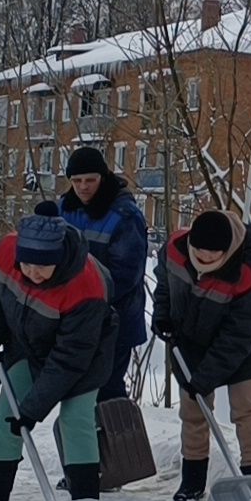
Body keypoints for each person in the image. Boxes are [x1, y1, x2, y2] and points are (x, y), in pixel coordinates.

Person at [0, 201, 117, 501]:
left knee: (75, 420)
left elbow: (68, 361)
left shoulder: (86, 286)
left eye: (42, 267)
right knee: (6, 420)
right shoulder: (6, 253)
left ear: (58, 260)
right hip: (28, 345)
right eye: (27, 265)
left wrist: (33, 410)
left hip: (85, 356)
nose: (33, 273)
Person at [152, 208, 251, 501]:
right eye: (199, 252)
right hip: (191, 337)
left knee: (246, 407)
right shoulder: (175, 251)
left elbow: (238, 337)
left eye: (212, 255)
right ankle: (192, 481)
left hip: (243, 344)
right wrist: (163, 317)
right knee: (193, 411)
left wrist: (204, 378)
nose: (204, 259)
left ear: (227, 250)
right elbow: (165, 287)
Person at [59, 146, 148, 403]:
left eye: (90, 180)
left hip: (115, 319)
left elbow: (126, 276)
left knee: (107, 390)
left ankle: (117, 440)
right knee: (78, 392)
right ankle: (87, 442)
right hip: (75, 318)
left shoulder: (125, 215)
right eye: (77, 181)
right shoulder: (65, 208)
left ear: (103, 177)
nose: (83, 187)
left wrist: (86, 300)